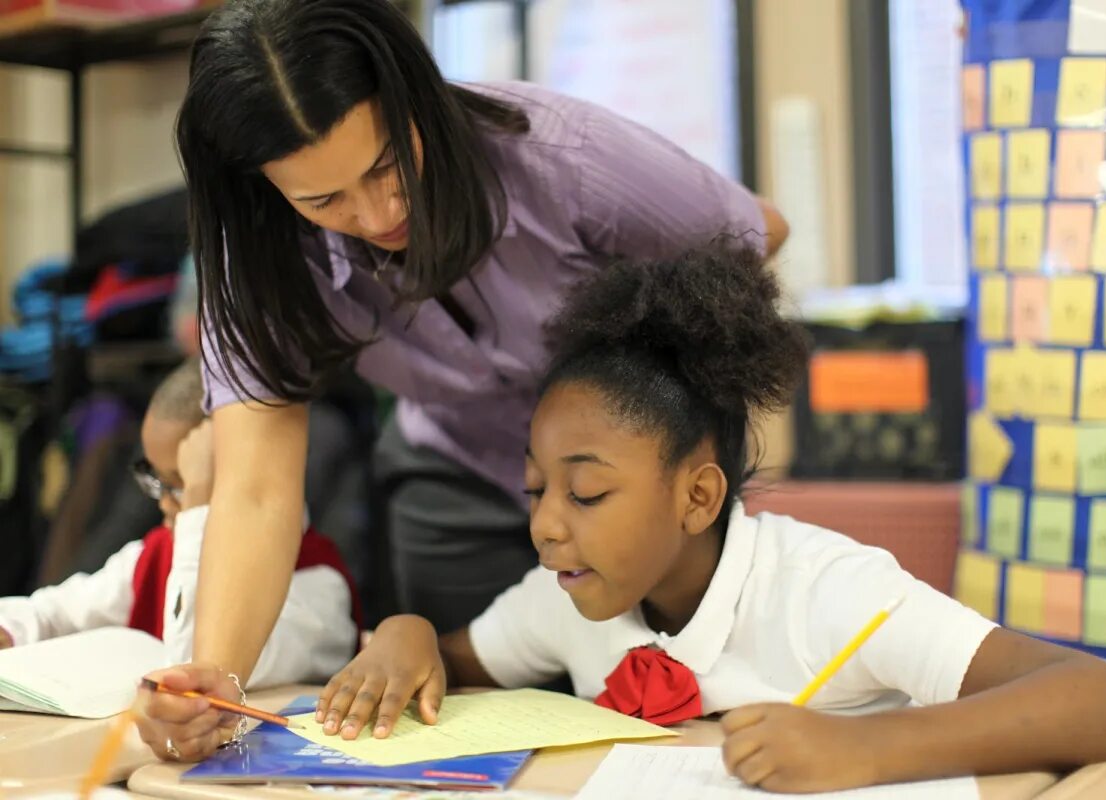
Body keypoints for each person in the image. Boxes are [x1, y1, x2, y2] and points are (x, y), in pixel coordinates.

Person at [141, 0, 788, 760]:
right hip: (453, 476)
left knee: (662, 718)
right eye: (323, 201)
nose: (379, 213)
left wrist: (644, 436)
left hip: (622, 487)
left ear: (415, 94)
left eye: (387, 164)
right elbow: (255, 490)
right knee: (459, 723)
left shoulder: (560, 156)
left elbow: (752, 236)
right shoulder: (261, 257)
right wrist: (215, 683)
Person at [314, 244, 1106, 794]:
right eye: (536, 491)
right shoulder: (565, 595)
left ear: (699, 497)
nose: (546, 526)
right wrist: (408, 633)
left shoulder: (828, 591)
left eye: (587, 493)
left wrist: (863, 749)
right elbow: (454, 660)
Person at [0, 360, 358, 704]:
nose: (164, 503)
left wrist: (198, 505)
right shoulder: (158, 553)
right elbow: (54, 612)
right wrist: (10, 629)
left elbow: (198, 668)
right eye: (155, 480)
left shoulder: (319, 587)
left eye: (182, 483)